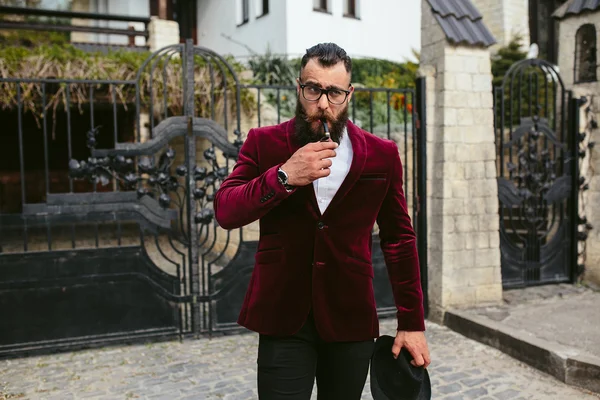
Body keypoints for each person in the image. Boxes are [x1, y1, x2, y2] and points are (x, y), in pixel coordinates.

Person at [214, 42, 430, 400]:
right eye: (313, 90)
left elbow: (399, 239)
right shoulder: (263, 142)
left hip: (351, 317)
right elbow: (225, 211)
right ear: (299, 88)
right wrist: (283, 176)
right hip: (283, 316)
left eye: (334, 92)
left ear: (350, 94)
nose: (323, 104)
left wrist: (412, 323)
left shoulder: (382, 155)